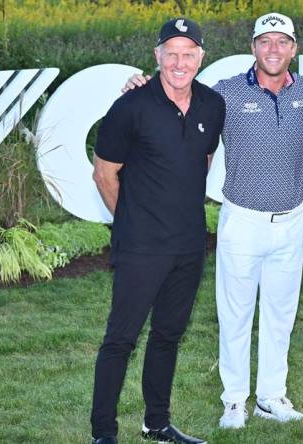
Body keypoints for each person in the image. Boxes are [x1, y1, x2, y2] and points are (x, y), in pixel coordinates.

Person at [121, 12, 303, 430]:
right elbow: (174, 94)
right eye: (265, 42)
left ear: (294, 49)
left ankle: (271, 396)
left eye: (282, 42)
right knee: (235, 315)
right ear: (252, 47)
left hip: (291, 222)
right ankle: (235, 401)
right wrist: (138, 87)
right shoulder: (225, 94)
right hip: (243, 221)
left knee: (280, 314)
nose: (273, 49)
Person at [90, 18, 225, 444]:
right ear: (157, 56)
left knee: (168, 336)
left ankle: (157, 423)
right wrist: (131, 219)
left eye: (189, 53)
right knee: (121, 340)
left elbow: (199, 162)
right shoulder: (129, 107)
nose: (179, 62)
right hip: (141, 247)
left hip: (188, 245)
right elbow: (104, 174)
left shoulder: (211, 105)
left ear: (201, 57)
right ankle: (103, 433)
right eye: (172, 53)